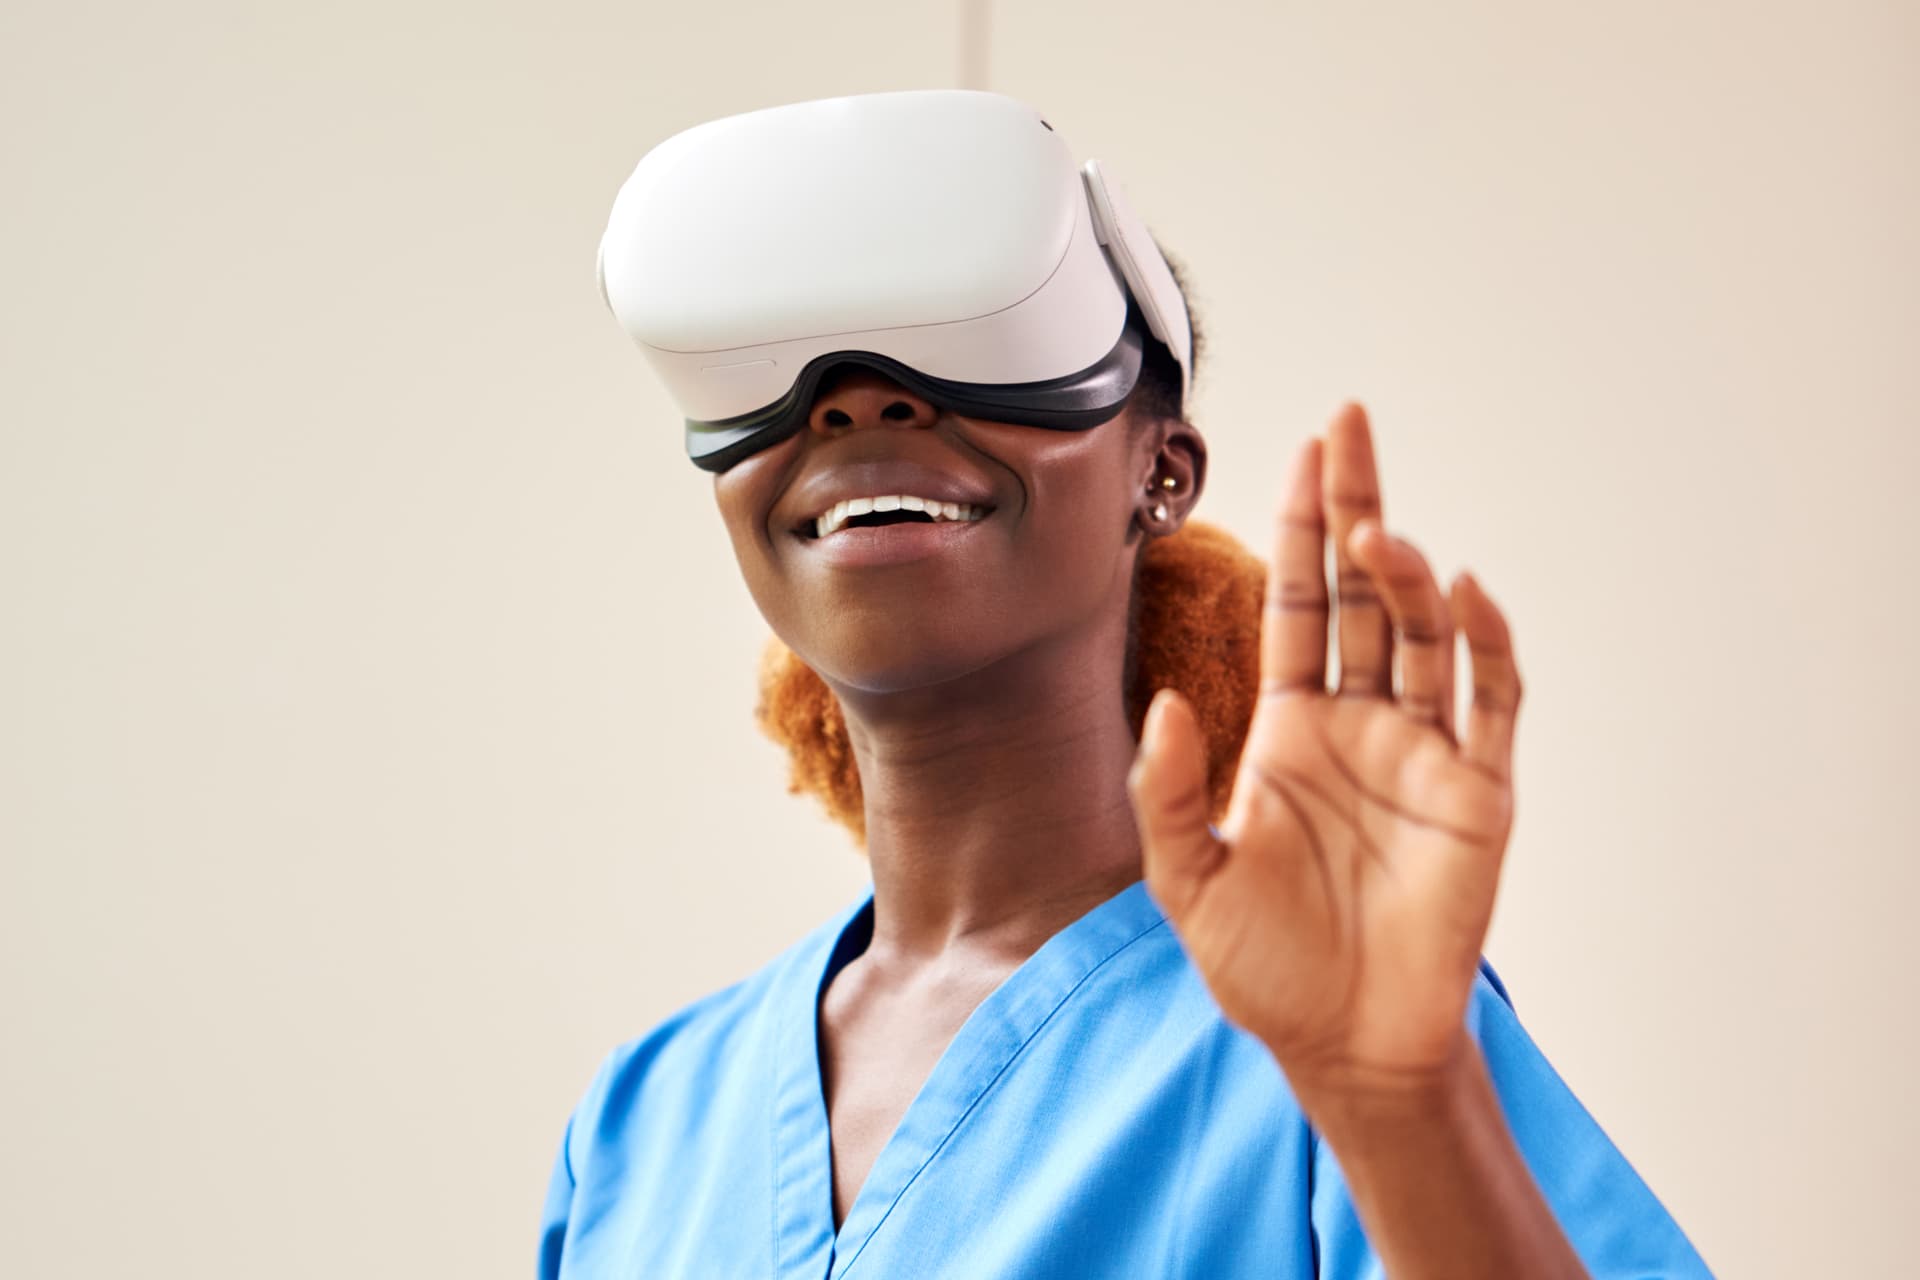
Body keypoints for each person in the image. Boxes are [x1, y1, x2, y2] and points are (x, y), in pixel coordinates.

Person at [547, 98, 1713, 1276]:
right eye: (784, 371)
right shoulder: (641, 1125)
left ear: (1158, 471)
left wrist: (1401, 1110)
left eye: (969, 347)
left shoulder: (1335, 1022)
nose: (856, 401)